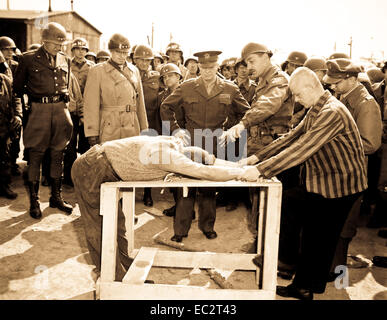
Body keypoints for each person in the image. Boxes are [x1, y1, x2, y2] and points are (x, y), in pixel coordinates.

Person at [246, 67, 367, 300]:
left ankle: (304, 286)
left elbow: (303, 148)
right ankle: (289, 263)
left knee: (320, 238)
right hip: (325, 179)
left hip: (341, 185)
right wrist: (258, 157)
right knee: (292, 207)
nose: (297, 100)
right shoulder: (317, 107)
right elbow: (292, 137)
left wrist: (261, 170)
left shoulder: (332, 112)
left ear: (312, 87)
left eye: (299, 95)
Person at [71, 134, 259, 279]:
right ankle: (110, 277)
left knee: (117, 223)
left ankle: (125, 270)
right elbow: (204, 171)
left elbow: (210, 162)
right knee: (101, 225)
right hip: (92, 168)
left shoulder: (175, 144)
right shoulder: (168, 157)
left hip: (103, 163)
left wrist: (243, 168)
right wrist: (240, 174)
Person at [160, 50, 250, 242]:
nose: (207, 71)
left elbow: (247, 113)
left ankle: (207, 226)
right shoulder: (187, 87)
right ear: (199, 67)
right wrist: (176, 130)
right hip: (191, 142)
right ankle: (180, 230)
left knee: (209, 188)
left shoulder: (230, 88)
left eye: (211, 67)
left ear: (217, 66)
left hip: (216, 143)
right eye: (203, 67)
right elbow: (165, 107)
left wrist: (233, 129)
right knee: (185, 187)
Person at [221, 43, 295, 247]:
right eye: (246, 63)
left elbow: (268, 105)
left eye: (252, 61)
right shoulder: (263, 81)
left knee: (270, 201)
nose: (249, 67)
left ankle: (270, 247)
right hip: (258, 145)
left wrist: (243, 123)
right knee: (257, 199)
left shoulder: (278, 80)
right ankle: (261, 240)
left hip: (271, 148)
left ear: (266, 57)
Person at [323, 58, 383, 275]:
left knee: (344, 225)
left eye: (337, 82)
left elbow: (370, 143)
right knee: (331, 221)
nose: (332, 86)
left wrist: (331, 146)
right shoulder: (342, 97)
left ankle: (337, 273)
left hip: (350, 173)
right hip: (335, 170)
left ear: (351, 78)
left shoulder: (365, 104)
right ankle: (329, 266)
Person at [13, 22, 74, 219]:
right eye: (56, 43)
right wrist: (23, 112)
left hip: (60, 111)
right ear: (45, 41)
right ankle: (35, 201)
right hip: (38, 111)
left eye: (62, 44)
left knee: (58, 155)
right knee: (36, 157)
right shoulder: (28, 59)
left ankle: (56, 197)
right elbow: (17, 90)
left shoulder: (66, 60)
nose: (60, 47)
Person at [83, 33, 148, 147]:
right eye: (118, 52)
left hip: (131, 125)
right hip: (109, 126)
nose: (121, 56)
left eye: (124, 53)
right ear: (111, 51)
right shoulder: (97, 71)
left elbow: (140, 103)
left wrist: (144, 128)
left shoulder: (134, 71)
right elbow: (91, 105)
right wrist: (92, 133)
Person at [133, 44, 161, 207]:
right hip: (133, 122)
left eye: (147, 60)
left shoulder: (156, 77)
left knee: (149, 157)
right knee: (133, 156)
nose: (144, 63)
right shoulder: (129, 74)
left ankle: (148, 192)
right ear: (135, 59)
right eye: (140, 60)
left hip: (151, 122)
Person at [0, 51, 22, 199]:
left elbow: (16, 98)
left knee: (4, 159)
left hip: (3, 127)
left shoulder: (6, 80)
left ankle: (4, 186)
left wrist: (17, 114)